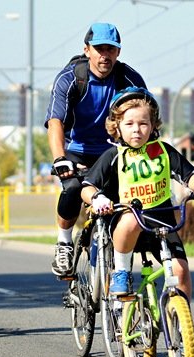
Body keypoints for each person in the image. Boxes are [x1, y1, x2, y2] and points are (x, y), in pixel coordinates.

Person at [80, 87, 194, 298]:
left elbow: (189, 175)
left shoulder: (164, 151)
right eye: (129, 124)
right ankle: (122, 272)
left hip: (162, 222)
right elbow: (88, 187)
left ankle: (181, 323)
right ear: (117, 127)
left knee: (181, 272)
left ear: (153, 126)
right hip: (125, 224)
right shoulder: (113, 156)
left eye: (143, 123)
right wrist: (97, 198)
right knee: (131, 221)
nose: (137, 129)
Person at [45, 22, 147, 276]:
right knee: (72, 188)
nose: (105, 55)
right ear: (87, 49)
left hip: (114, 152)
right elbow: (55, 121)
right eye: (99, 49)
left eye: (110, 49)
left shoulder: (129, 80)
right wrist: (60, 158)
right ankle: (64, 242)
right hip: (76, 150)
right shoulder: (70, 79)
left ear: (118, 53)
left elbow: (147, 119)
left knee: (124, 200)